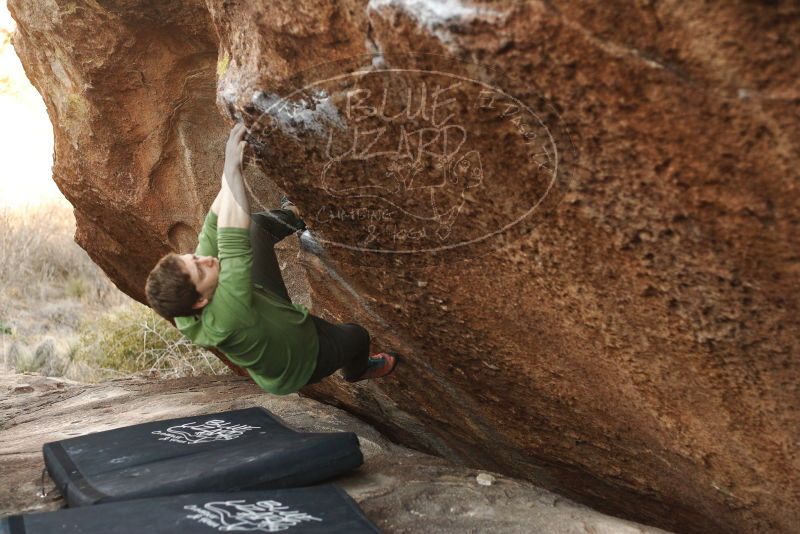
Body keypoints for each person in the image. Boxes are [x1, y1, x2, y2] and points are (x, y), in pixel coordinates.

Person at [145, 122, 398, 395]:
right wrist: (231, 168)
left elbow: (215, 224)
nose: (205, 260)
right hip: (303, 359)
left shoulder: (184, 303)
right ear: (200, 301)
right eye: (201, 270)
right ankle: (356, 372)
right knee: (357, 335)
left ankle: (295, 215)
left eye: (193, 258)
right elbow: (232, 238)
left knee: (256, 229)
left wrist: (230, 172)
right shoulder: (227, 316)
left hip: (263, 304)